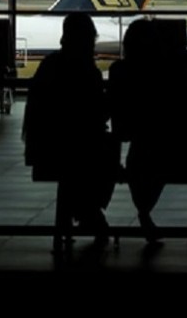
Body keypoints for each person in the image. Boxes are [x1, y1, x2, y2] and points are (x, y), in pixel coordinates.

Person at [108, 19, 187, 244]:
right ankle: (142, 212)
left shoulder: (121, 72)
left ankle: (133, 212)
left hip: (148, 152)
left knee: (143, 156)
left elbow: (120, 129)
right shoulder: (172, 71)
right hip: (181, 152)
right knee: (152, 153)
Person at [22, 13, 118, 255]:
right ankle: (89, 209)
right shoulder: (87, 71)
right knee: (105, 150)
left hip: (46, 148)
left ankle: (85, 211)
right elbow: (98, 115)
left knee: (77, 160)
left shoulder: (50, 65)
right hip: (77, 150)